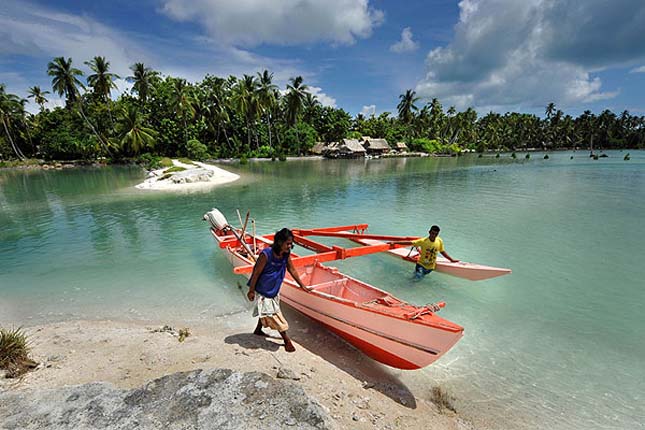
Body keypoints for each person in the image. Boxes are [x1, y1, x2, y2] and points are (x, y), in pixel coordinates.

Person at [247, 227, 307, 352]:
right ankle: (286, 340)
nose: (290, 246)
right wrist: (251, 290)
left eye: (291, 244)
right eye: (288, 243)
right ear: (279, 242)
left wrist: (302, 285)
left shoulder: (286, 254)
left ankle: (258, 330)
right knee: (274, 315)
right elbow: (256, 273)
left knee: (267, 311)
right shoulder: (266, 254)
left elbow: (292, 269)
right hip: (263, 290)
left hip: (274, 290)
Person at [389, 225, 459, 279]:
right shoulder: (423, 241)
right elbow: (410, 242)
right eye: (432, 233)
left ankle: (410, 281)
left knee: (417, 278)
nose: (434, 235)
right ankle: (406, 287)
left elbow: (442, 251)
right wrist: (394, 242)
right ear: (429, 232)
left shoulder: (439, 241)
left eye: (436, 234)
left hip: (431, 268)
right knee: (417, 279)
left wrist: (451, 260)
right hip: (421, 266)